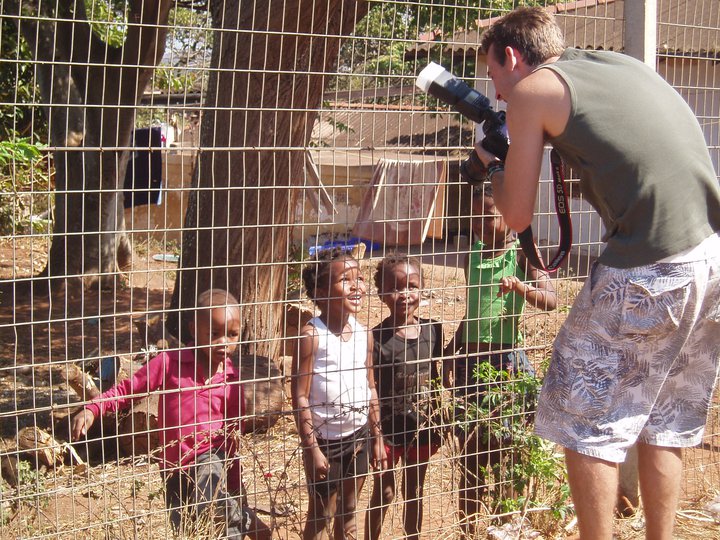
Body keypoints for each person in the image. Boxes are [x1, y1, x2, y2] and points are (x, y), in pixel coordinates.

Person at [475, 7, 720, 539]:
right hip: (708, 257)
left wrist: (492, 162)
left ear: (512, 57)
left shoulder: (530, 91)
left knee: (582, 414)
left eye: (495, 77)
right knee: (664, 417)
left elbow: (514, 216)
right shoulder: (613, 65)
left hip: (652, 265)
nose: (497, 94)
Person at [71, 289, 271, 539]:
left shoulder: (231, 380)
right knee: (187, 529)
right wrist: (94, 407)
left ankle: (247, 522)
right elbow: (128, 389)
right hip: (174, 466)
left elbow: (232, 436)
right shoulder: (169, 363)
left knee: (221, 514)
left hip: (211, 459)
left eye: (232, 335)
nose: (224, 342)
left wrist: (234, 484)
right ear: (193, 329)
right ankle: (245, 519)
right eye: (214, 334)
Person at [444, 185, 557, 533]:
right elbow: (474, 310)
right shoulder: (472, 253)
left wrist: (521, 288)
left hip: (505, 364)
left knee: (505, 450)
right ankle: (467, 528)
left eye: (487, 217)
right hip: (470, 365)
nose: (479, 223)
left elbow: (552, 301)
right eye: (474, 217)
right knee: (471, 451)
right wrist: (453, 348)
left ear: (507, 217)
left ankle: (503, 525)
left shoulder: (522, 254)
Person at [291, 247, 386, 540]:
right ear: (320, 292)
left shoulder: (364, 335)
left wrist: (377, 438)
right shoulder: (311, 336)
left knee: (348, 514)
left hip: (358, 439)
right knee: (320, 516)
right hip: (324, 442)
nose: (357, 286)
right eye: (346, 280)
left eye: (360, 278)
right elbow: (300, 396)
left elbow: (370, 386)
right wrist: (312, 448)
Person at [363, 253, 444, 540]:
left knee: (415, 491)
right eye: (395, 288)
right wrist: (376, 437)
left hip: (421, 427)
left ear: (421, 287)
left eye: (412, 286)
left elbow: (436, 378)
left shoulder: (433, 330)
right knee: (384, 492)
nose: (404, 294)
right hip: (388, 431)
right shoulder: (376, 338)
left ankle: (413, 536)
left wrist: (439, 422)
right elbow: (370, 388)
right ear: (382, 293)